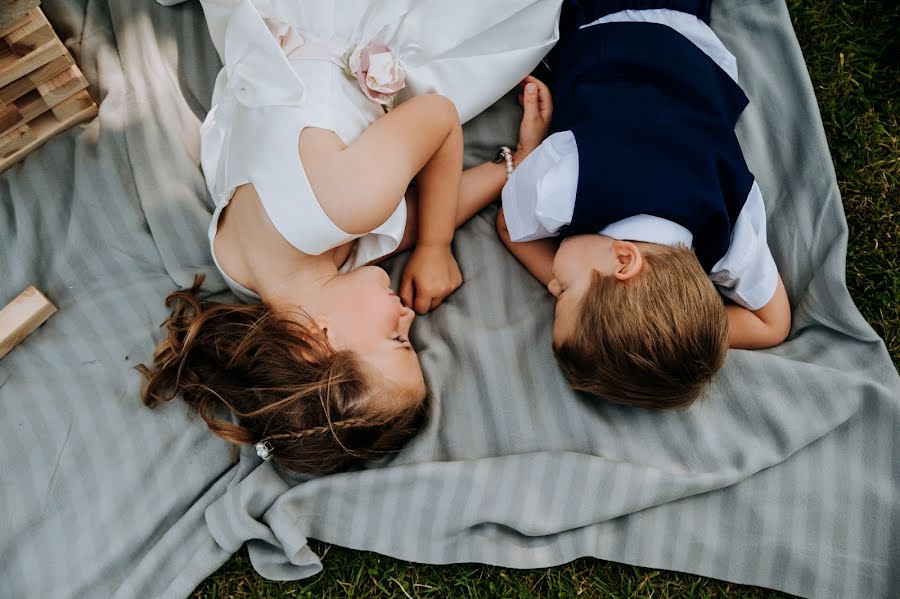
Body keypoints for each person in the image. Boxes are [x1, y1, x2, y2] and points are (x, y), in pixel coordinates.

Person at [139, 0, 561, 474]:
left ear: (313, 341)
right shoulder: (249, 268)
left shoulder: (345, 207)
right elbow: (404, 224)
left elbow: (439, 116)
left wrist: (435, 247)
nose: (407, 316)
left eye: (397, 339)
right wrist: (511, 168)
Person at [496, 0, 791, 410]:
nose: (550, 284)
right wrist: (530, 151)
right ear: (623, 260)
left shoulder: (729, 225)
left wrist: (681, 328)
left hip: (694, 45)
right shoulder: (564, 187)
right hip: (601, 24)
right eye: (563, 294)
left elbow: (772, 322)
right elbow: (509, 226)